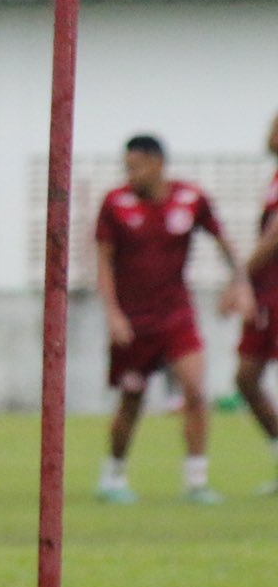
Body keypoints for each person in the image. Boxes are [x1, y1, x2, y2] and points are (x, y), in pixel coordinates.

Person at [93, 135, 252, 505]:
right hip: (133, 322)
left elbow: (223, 241)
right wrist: (112, 313)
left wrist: (240, 283)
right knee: (131, 399)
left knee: (196, 392)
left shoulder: (190, 199)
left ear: (158, 163)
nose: (130, 174)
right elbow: (103, 261)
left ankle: (197, 481)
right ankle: (113, 476)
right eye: (126, 167)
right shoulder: (115, 203)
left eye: (136, 166)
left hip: (176, 314)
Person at [241, 113, 278, 495]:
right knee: (246, 377)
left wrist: (239, 276)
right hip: (266, 295)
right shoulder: (273, 180)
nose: (268, 136)